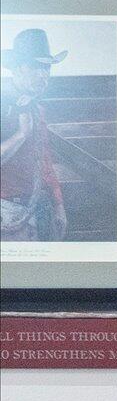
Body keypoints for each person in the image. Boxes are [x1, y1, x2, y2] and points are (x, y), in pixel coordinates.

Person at [0, 27, 69, 244]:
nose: (43, 75)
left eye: (46, 67)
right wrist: (21, 134)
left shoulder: (37, 108)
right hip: (6, 214)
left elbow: (44, 160)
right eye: (36, 67)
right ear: (18, 68)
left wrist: (59, 205)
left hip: (37, 212)